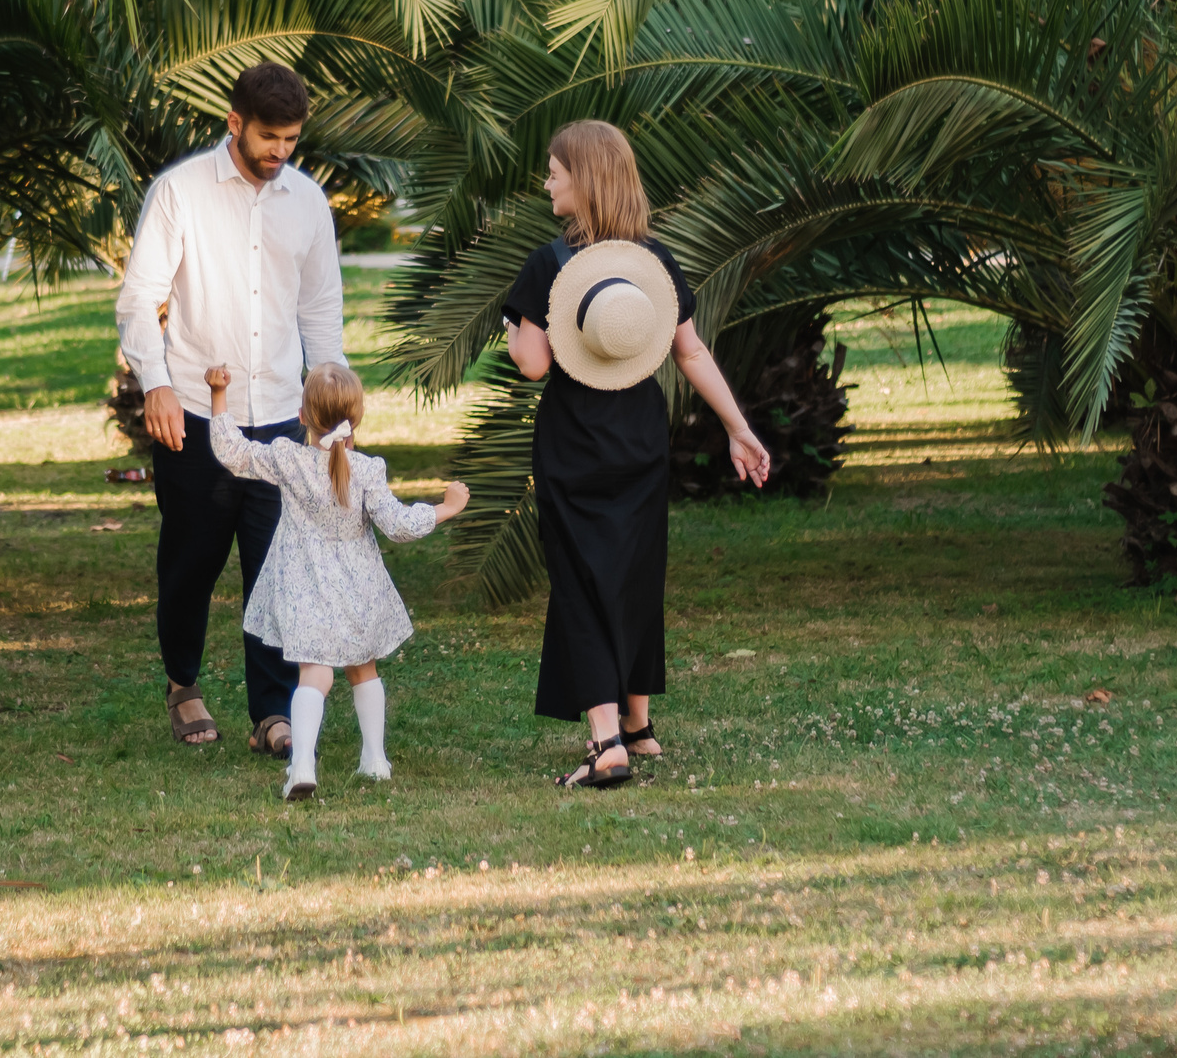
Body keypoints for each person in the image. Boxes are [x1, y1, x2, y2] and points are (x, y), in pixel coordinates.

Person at [501, 120, 771, 790]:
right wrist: (739, 427)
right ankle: (641, 725)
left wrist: (513, 327)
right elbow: (692, 351)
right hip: (642, 438)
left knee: (582, 586)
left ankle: (606, 742)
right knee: (633, 577)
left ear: (582, 179)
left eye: (554, 172)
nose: (547, 182)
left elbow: (533, 364)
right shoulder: (654, 262)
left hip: (574, 444)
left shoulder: (548, 264)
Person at [115, 62, 346, 757]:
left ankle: (271, 711)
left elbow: (321, 310)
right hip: (193, 412)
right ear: (234, 123)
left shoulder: (307, 202)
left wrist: (330, 408)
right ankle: (183, 683)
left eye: (292, 139)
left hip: (278, 414)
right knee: (191, 559)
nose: (281, 151)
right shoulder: (179, 193)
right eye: (269, 137)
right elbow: (139, 296)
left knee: (274, 561)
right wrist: (154, 380)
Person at [205, 362, 471, 800]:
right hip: (358, 586)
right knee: (362, 666)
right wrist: (445, 508)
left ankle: (303, 764)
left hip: (303, 584)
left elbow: (233, 452)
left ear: (302, 416)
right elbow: (399, 525)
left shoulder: (287, 459)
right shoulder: (368, 470)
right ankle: (374, 759)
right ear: (357, 419)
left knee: (315, 672)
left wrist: (219, 394)